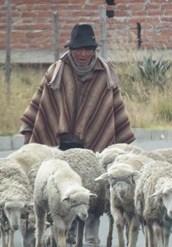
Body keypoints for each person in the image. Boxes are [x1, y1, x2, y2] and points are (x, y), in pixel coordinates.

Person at [20, 23, 135, 151]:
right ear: (71, 50)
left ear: (94, 51)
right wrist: (28, 141)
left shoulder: (105, 74)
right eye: (78, 49)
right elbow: (38, 107)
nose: (83, 54)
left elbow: (116, 112)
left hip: (95, 148)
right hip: (60, 146)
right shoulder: (57, 71)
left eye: (88, 50)